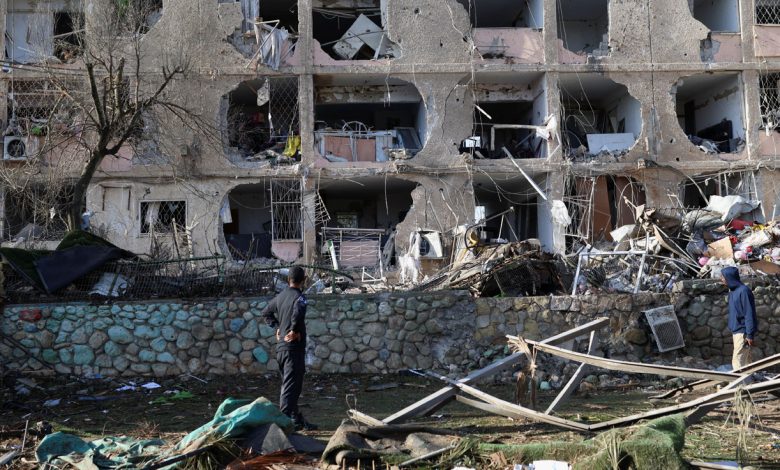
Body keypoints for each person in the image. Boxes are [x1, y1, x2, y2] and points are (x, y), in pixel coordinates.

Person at [262, 266, 317, 430]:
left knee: (291, 386)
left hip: (281, 350)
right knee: (290, 387)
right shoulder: (300, 297)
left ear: (288, 280)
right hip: (293, 349)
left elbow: (266, 313)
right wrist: (293, 330)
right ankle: (282, 425)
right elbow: (298, 312)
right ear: (304, 280)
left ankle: (295, 419)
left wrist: (277, 327)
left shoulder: (280, 297)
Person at [721, 266, 757, 370]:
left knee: (738, 362)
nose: (721, 279)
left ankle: (739, 380)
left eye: (723, 277)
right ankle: (749, 379)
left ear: (729, 277)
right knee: (746, 362)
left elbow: (749, 313)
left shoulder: (744, 291)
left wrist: (749, 334)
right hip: (737, 331)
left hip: (743, 332)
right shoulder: (732, 291)